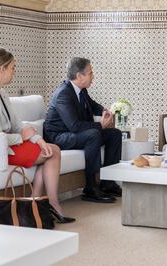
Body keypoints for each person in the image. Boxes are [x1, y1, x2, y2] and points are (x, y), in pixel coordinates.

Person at [0, 47, 75, 223]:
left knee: (50, 150)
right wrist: (22, 138)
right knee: (52, 152)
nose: (14, 72)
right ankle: (46, 203)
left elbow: (17, 124)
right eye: (13, 67)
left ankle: (36, 203)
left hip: (6, 145)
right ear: (3, 68)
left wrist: (39, 141)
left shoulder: (1, 93)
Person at [44, 57, 122, 203]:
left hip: (71, 133)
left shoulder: (81, 90)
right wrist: (100, 125)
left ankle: (108, 183)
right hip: (58, 137)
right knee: (93, 134)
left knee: (115, 134)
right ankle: (91, 188)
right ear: (79, 76)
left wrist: (105, 111)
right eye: (91, 73)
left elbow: (92, 105)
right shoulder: (63, 94)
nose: (93, 76)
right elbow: (74, 126)